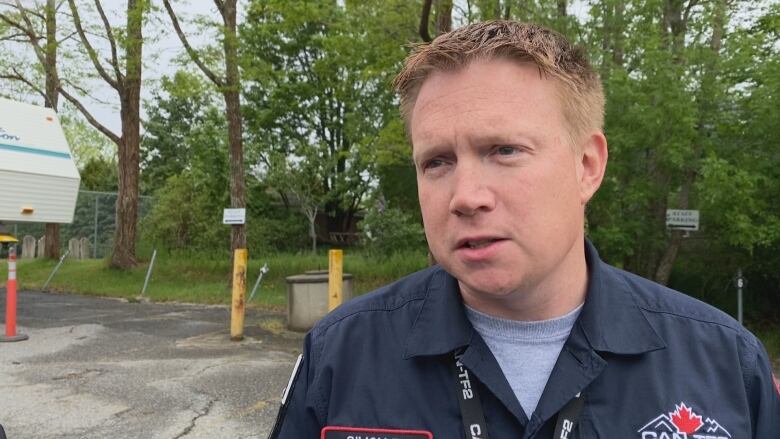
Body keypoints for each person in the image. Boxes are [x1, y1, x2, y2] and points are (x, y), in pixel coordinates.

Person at [269, 21, 780, 438]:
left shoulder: (726, 365)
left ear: (587, 166)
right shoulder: (341, 355)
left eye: (504, 151)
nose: (466, 196)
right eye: (437, 162)